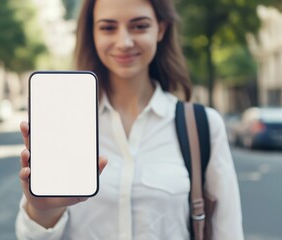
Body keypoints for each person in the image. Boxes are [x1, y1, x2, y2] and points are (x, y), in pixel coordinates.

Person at [16, 0, 244, 239]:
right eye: (108, 28)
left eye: (139, 26)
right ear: (91, 33)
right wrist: (41, 209)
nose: (124, 42)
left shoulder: (203, 125)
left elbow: (228, 232)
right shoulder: (63, 122)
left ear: (161, 29)